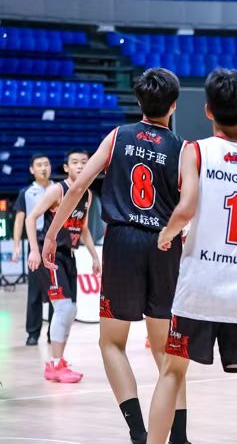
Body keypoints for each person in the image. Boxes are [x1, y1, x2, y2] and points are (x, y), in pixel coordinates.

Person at [41, 69, 189, 444]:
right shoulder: (184, 148)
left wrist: (52, 233)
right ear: (174, 105)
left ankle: (139, 433)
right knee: (166, 350)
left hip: (122, 242)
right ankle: (179, 436)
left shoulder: (118, 136)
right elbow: (191, 206)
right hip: (164, 244)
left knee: (111, 343)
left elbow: (77, 187)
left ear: (138, 101)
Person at [146, 69, 237, 444]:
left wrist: (167, 234)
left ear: (208, 110)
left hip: (200, 287)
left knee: (171, 373)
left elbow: (186, 208)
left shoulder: (195, 151)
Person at [25, 149, 100, 383]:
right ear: (66, 168)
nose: (80, 166)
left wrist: (94, 256)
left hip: (69, 255)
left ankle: (57, 361)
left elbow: (83, 228)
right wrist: (34, 250)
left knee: (72, 310)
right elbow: (30, 218)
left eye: (84, 162)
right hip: (51, 256)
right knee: (63, 308)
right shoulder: (58, 190)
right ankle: (55, 364)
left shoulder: (87, 195)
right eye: (75, 162)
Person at [13, 153, 54, 346]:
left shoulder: (59, 188)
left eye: (46, 164)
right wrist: (16, 246)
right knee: (35, 292)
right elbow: (19, 220)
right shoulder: (26, 192)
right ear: (32, 170)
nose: (43, 168)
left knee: (57, 292)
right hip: (36, 243)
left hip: (55, 244)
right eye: (39, 165)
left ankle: (54, 333)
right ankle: (33, 333)